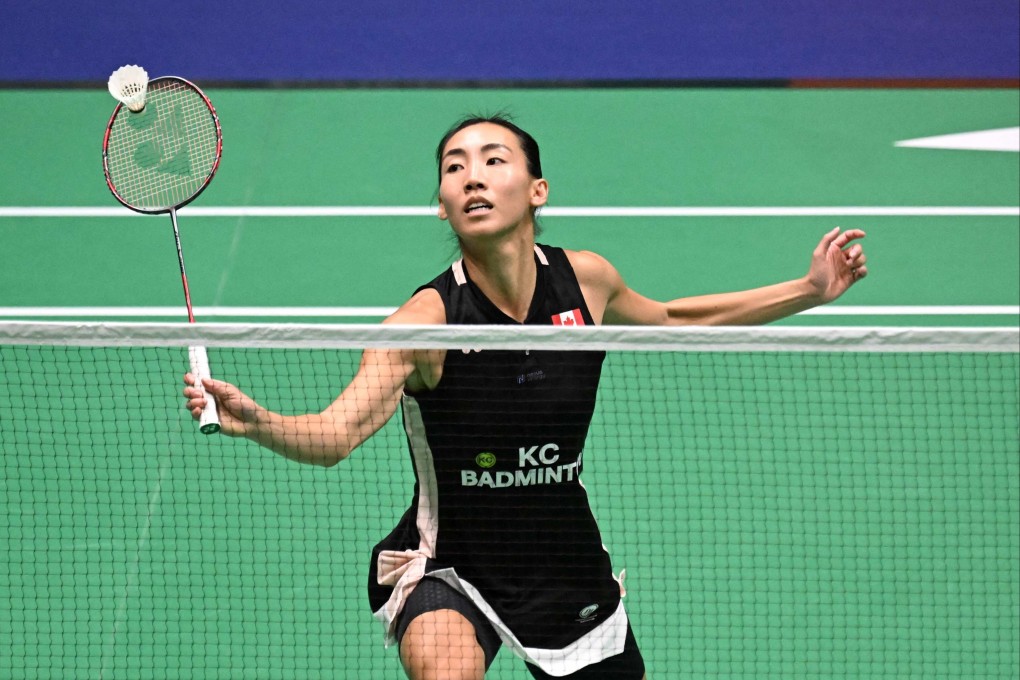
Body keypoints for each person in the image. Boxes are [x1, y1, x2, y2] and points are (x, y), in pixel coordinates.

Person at [184, 114, 867, 680]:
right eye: (453, 167)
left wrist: (807, 290)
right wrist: (260, 421)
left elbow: (676, 320)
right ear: (444, 203)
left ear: (537, 190)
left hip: (562, 560)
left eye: (492, 160)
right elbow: (337, 434)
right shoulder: (426, 322)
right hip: (452, 562)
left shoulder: (586, 282)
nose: (472, 176)